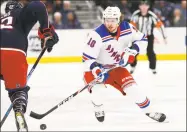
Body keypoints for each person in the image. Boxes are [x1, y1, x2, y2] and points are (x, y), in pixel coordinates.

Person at [82, 6, 166, 123]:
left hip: (116, 68)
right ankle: (98, 107)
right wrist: (96, 69)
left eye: (113, 20)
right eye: (107, 20)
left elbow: (142, 39)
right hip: (96, 68)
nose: (109, 24)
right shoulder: (96, 35)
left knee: (133, 88)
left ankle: (149, 111)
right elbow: (87, 58)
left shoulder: (127, 27)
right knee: (98, 91)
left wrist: (133, 51)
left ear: (119, 20)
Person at [0, 0, 59, 131]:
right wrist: (47, 33)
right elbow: (37, 6)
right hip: (12, 52)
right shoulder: (20, 13)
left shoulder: (2, 19)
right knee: (18, 90)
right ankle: (19, 108)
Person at [130, 0, 167, 74]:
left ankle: (153, 68)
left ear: (148, 7)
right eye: (142, 5)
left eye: (145, 6)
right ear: (139, 6)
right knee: (133, 51)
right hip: (138, 36)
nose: (144, 7)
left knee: (150, 52)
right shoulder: (136, 14)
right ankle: (132, 67)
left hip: (149, 36)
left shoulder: (152, 15)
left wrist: (164, 37)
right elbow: (131, 26)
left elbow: (160, 25)